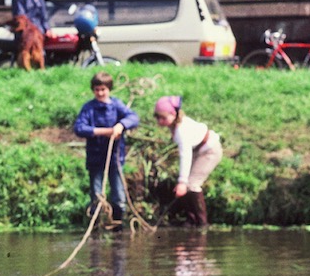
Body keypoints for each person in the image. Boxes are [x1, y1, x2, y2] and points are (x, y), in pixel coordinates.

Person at [74, 71, 140, 228]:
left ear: (109, 89)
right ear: (93, 90)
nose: (100, 93)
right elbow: (79, 128)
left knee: (118, 195)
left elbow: (134, 117)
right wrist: (104, 131)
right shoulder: (89, 108)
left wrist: (121, 125)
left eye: (103, 89)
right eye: (97, 90)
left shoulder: (116, 105)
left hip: (115, 158)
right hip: (95, 158)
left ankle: (118, 227)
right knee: (97, 195)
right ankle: (96, 226)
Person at [154, 95, 221, 227]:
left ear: (173, 115)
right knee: (187, 184)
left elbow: (185, 155)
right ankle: (191, 219)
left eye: (163, 117)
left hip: (210, 151)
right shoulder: (175, 125)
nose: (160, 121)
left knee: (192, 184)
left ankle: (202, 223)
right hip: (198, 150)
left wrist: (182, 182)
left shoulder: (181, 131)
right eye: (157, 117)